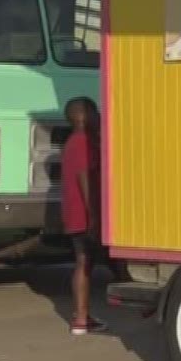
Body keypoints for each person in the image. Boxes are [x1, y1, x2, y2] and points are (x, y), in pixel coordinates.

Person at [61, 96, 108, 335]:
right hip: (82, 213)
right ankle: (80, 318)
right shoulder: (82, 142)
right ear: (81, 116)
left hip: (76, 212)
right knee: (83, 261)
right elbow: (84, 178)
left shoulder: (74, 142)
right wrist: (93, 216)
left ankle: (83, 315)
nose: (98, 116)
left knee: (85, 261)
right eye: (94, 112)